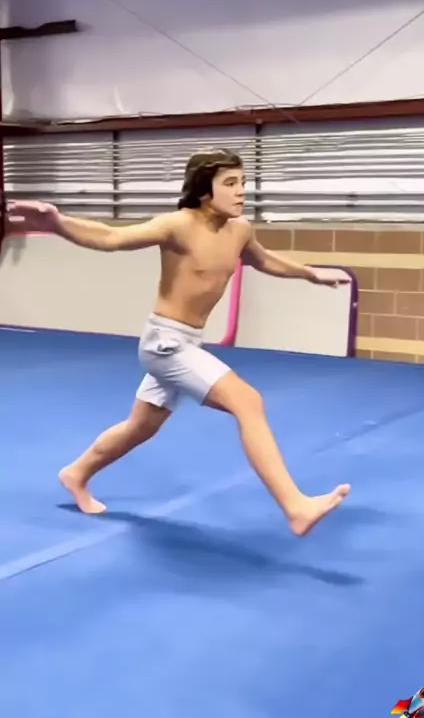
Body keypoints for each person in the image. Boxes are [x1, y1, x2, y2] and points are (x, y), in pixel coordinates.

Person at [7, 148, 351, 536]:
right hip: (165, 343)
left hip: (189, 341)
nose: (242, 191)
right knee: (248, 402)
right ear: (204, 190)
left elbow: (263, 260)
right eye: (230, 183)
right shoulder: (178, 226)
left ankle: (76, 473)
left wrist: (309, 273)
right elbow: (113, 237)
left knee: (141, 427)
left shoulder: (240, 230)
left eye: (243, 182)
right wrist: (58, 223)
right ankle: (295, 506)